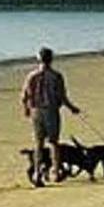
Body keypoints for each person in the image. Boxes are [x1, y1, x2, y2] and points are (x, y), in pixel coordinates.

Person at [22, 47, 80, 185]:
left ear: (38, 58)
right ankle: (55, 171)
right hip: (51, 111)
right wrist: (72, 108)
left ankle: (37, 173)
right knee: (54, 143)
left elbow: (24, 95)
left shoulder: (32, 76)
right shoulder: (56, 76)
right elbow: (62, 96)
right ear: (51, 59)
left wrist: (26, 109)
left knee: (38, 143)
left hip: (36, 111)